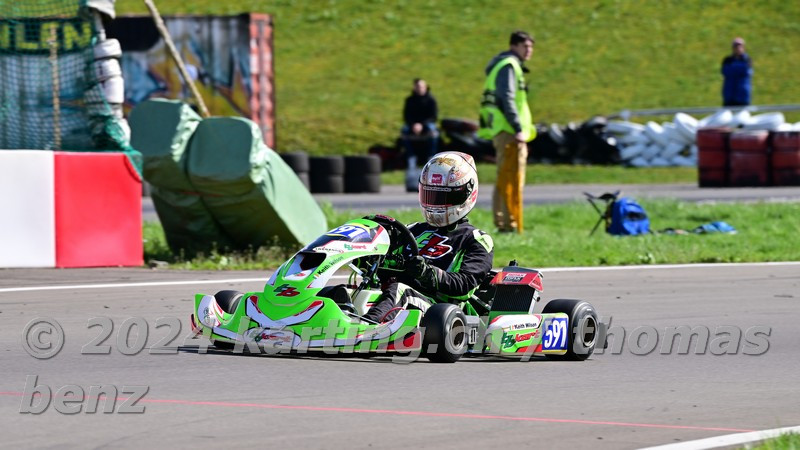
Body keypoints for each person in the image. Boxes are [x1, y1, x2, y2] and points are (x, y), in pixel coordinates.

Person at [362, 151, 494, 323]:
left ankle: (365, 328)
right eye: (431, 195)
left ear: (466, 194)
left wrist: (427, 273)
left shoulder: (475, 239)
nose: (436, 203)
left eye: (444, 197)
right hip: (394, 299)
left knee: (401, 291)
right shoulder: (411, 230)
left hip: (439, 310)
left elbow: (465, 286)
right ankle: (334, 325)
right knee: (346, 292)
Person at [478, 30, 537, 234]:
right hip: (509, 130)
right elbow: (507, 98)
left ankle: (503, 220)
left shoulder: (503, 65)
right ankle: (509, 222)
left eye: (531, 47)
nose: (529, 50)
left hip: (503, 129)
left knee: (504, 176)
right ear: (514, 46)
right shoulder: (509, 66)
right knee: (512, 177)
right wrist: (518, 128)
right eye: (525, 46)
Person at [401, 78, 439, 169]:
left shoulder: (431, 100)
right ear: (414, 88)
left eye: (422, 86)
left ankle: (431, 157)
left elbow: (433, 117)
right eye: (418, 86)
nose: (420, 88)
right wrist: (413, 124)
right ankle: (411, 158)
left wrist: (422, 125)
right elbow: (406, 115)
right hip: (413, 124)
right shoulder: (410, 100)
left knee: (433, 132)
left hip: (427, 124)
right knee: (404, 131)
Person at [721, 37, 753, 107]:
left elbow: (746, 72)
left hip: (743, 97)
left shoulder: (747, 59)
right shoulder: (727, 60)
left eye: (740, 46)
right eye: (736, 46)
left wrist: (734, 69)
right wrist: (738, 69)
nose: (738, 48)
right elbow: (725, 72)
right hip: (729, 96)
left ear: (744, 47)